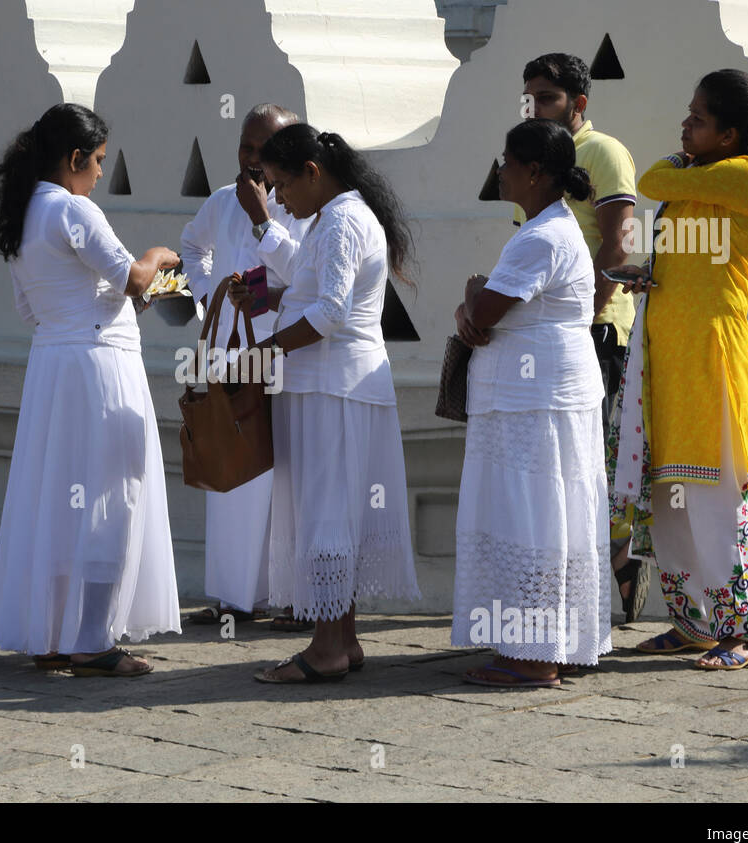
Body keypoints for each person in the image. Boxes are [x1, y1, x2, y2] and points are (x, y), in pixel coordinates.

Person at [0, 103, 183, 677]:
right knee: (110, 498)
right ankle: (93, 639)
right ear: (73, 159)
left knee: (58, 497)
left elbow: (36, 308)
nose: (99, 175)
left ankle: (51, 635)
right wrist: (161, 257)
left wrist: (139, 288)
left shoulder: (22, 217)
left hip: (53, 367)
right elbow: (134, 278)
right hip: (100, 369)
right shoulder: (75, 210)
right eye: (96, 162)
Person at [611, 69, 748, 670]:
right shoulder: (699, 182)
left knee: (714, 496)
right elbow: (681, 242)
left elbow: (648, 177)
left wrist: (683, 162)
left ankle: (744, 630)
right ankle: (691, 621)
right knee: (671, 495)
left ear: (731, 133)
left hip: (711, 357)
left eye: (697, 119)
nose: (684, 126)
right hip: (666, 357)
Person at [228, 123, 420, 683]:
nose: (280, 198)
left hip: (333, 389)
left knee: (327, 514)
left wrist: (263, 351)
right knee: (335, 513)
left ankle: (326, 649)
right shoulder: (334, 217)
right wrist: (263, 295)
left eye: (284, 185)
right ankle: (345, 640)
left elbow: (331, 314)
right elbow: (314, 295)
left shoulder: (341, 221)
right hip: (332, 387)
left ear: (313, 172)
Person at [452, 118, 613, 687]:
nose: (500, 170)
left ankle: (534, 655)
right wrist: (474, 302)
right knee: (548, 519)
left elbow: (484, 311)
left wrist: (472, 292)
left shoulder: (543, 235)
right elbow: (482, 313)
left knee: (533, 520)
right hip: (536, 397)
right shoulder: (546, 228)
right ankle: (547, 646)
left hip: (534, 403)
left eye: (507, 160)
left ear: (535, 172)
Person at [516, 53, 650, 621]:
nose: (535, 107)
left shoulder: (602, 152)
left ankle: (612, 561)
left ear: (579, 103)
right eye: (530, 98)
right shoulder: (540, 160)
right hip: (546, 336)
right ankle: (595, 571)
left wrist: (582, 317)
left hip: (594, 331)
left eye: (547, 97)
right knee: (558, 463)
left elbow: (615, 246)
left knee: (588, 457)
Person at [179, 104, 313, 630]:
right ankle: (236, 598)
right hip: (232, 356)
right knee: (235, 474)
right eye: (246, 147)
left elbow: (304, 278)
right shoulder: (220, 201)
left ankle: (286, 595)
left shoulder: (300, 207)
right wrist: (210, 293)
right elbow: (194, 246)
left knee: (283, 480)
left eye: (265, 150)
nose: (253, 161)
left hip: (286, 352)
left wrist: (262, 218)